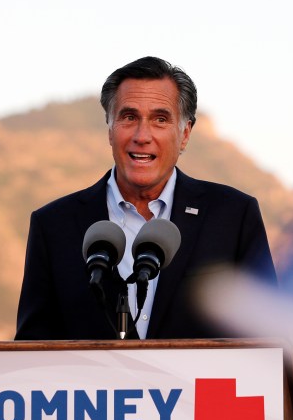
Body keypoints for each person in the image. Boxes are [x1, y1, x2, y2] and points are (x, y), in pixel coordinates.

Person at [15, 56, 276, 340]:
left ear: (185, 133)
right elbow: (32, 350)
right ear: (110, 129)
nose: (142, 135)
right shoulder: (54, 225)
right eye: (129, 117)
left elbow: (267, 339)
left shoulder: (233, 217)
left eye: (160, 120)